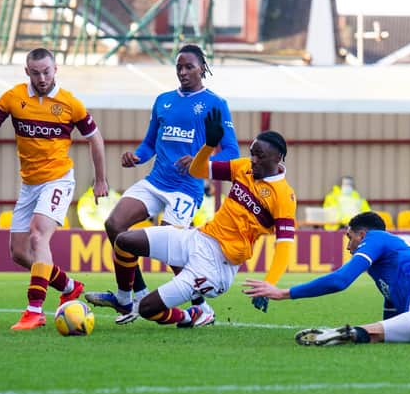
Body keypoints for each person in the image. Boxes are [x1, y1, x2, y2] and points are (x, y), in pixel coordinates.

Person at [84, 44, 240, 326]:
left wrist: (198, 159)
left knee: (171, 246)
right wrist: (136, 156)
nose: (182, 72)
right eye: (179, 67)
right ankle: (127, 296)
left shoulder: (216, 104)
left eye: (189, 66)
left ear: (202, 67)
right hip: (156, 181)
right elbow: (149, 144)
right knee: (114, 225)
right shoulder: (163, 101)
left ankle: (201, 306)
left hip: (187, 188)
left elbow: (232, 153)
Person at [96, 111, 296, 328]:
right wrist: (209, 145)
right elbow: (197, 169)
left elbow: (284, 247)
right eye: (252, 154)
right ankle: (125, 300)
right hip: (198, 238)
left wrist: (269, 284)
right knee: (124, 241)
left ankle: (192, 315)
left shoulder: (284, 196)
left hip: (217, 266)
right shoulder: (244, 167)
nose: (253, 160)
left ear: (277, 158)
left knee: (146, 308)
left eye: (259, 156)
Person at [0, 48, 108, 330]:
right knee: (18, 253)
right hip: (29, 184)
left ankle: (34, 310)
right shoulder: (13, 98)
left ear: (56, 69)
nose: (42, 78)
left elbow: (95, 139)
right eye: (36, 72)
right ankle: (68, 285)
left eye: (47, 71)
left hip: (58, 179)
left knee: (39, 237)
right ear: (27, 71)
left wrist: (100, 179)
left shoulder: (70, 104)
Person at [243, 211, 410, 345]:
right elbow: (391, 302)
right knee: (364, 334)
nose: (348, 246)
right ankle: (342, 335)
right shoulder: (380, 266)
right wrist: (384, 327)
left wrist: (284, 293)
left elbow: (340, 281)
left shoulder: (378, 238)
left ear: (362, 235)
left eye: (349, 238)